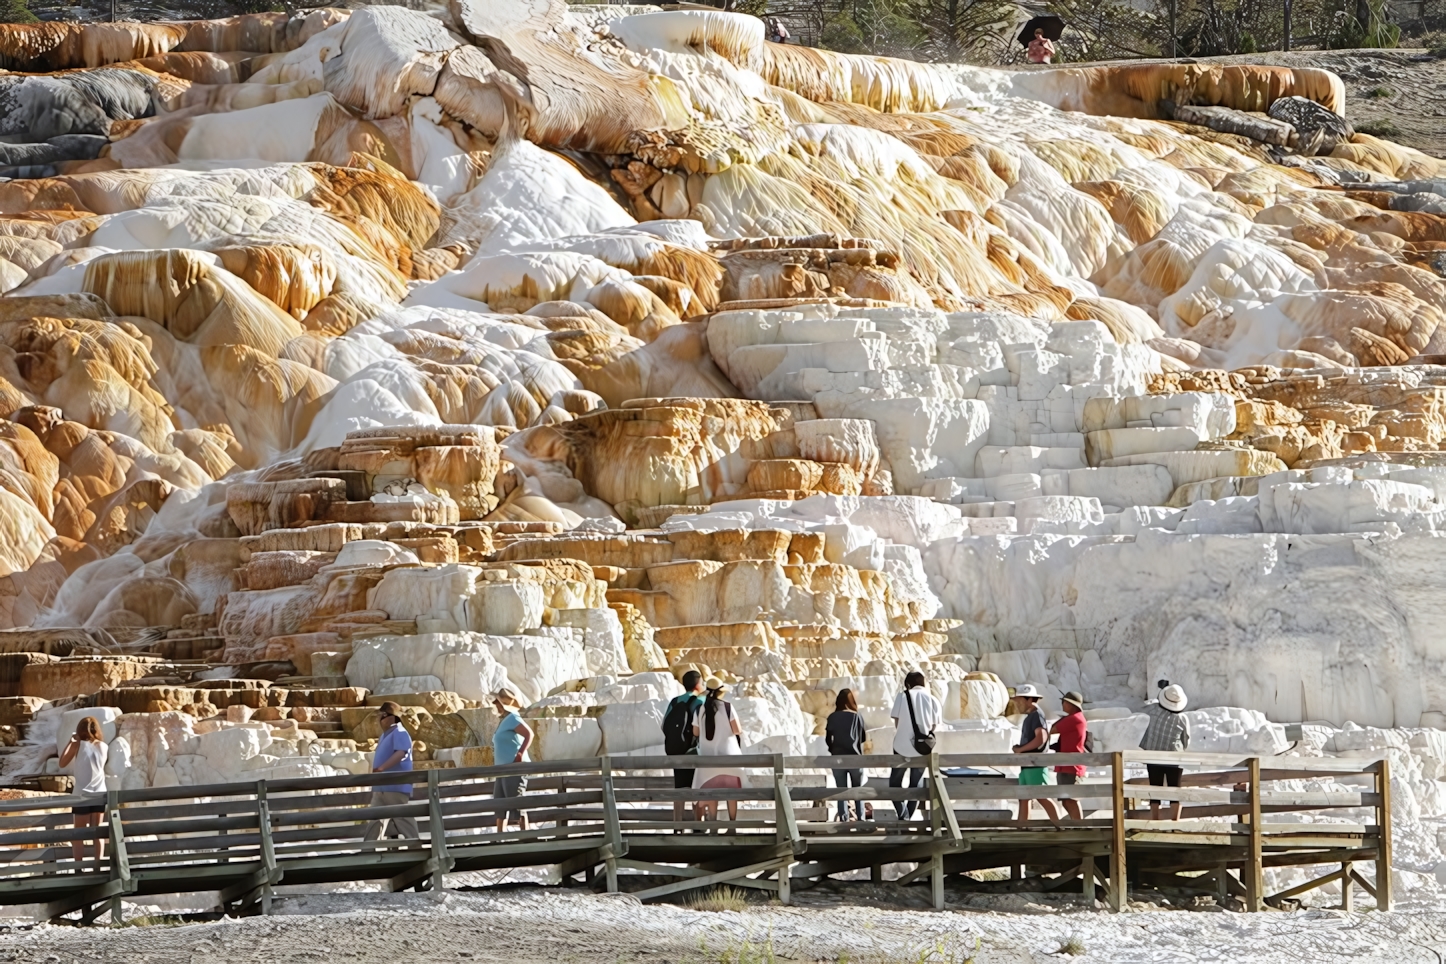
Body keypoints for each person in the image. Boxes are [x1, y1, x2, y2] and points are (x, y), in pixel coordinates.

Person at [363, 702, 418, 843]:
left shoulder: (400, 731)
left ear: (393, 717)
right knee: (375, 817)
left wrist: (381, 768)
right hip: (381, 785)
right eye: (380, 715)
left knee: (403, 817)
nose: (380, 718)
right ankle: (368, 850)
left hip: (394, 784)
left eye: (384, 715)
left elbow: (401, 752)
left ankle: (415, 846)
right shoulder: (384, 735)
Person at [889, 671, 941, 820]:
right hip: (922, 748)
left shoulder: (902, 696)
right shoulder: (933, 699)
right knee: (916, 784)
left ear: (908, 684)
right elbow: (933, 727)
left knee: (894, 782)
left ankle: (903, 814)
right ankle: (908, 818)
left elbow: (897, 722)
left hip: (901, 746)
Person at [692, 679, 744, 826]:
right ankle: (732, 826)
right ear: (721, 693)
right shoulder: (727, 707)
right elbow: (737, 730)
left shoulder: (699, 709)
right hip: (729, 758)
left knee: (712, 793)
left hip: (708, 759)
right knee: (731, 794)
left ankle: (713, 827)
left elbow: (695, 732)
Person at [58, 716, 108, 864]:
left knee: (78, 834)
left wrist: (71, 741)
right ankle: (97, 865)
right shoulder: (103, 746)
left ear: (79, 730)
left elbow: (62, 763)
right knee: (97, 832)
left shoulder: (78, 745)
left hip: (81, 794)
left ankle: (78, 867)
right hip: (99, 793)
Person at [1139, 683, 1191, 821]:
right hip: (1174, 758)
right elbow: (1186, 740)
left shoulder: (1154, 711)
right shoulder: (1182, 718)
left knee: (1155, 789)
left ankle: (1155, 820)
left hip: (1153, 757)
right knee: (1175, 790)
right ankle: (1175, 822)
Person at [1011, 684, 1061, 824]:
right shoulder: (1031, 716)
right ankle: (1022, 828)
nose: (1017, 704)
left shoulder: (1036, 715)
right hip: (1028, 763)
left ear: (1029, 699)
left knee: (1041, 796)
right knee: (1024, 797)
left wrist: (1021, 749)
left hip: (1035, 763)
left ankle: (1060, 826)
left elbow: (1041, 737)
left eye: (1019, 701)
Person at [663, 670, 705, 825]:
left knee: (679, 788)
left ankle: (677, 824)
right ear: (698, 684)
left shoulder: (675, 701)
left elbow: (664, 725)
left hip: (676, 751)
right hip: (694, 751)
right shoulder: (700, 701)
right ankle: (697, 825)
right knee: (697, 787)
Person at [492, 688, 534, 832]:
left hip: (513, 767)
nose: (495, 705)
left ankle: (526, 835)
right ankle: (499, 837)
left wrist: (520, 754)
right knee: (500, 803)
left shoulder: (513, 718)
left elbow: (529, 734)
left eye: (497, 702)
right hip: (502, 769)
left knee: (516, 801)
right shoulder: (504, 720)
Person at [825, 688, 870, 822]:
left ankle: (843, 818)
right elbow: (863, 737)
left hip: (838, 758)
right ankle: (861, 818)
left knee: (841, 790)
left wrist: (832, 749)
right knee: (858, 790)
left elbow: (828, 738)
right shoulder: (857, 716)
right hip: (855, 758)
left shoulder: (832, 717)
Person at [1050, 691, 1088, 821]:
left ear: (1070, 704)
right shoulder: (1076, 718)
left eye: (1064, 702)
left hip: (1071, 766)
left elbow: (1052, 730)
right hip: (1067, 765)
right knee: (1067, 800)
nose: (1062, 705)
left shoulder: (1073, 719)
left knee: (1071, 800)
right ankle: (1078, 826)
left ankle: (1080, 828)